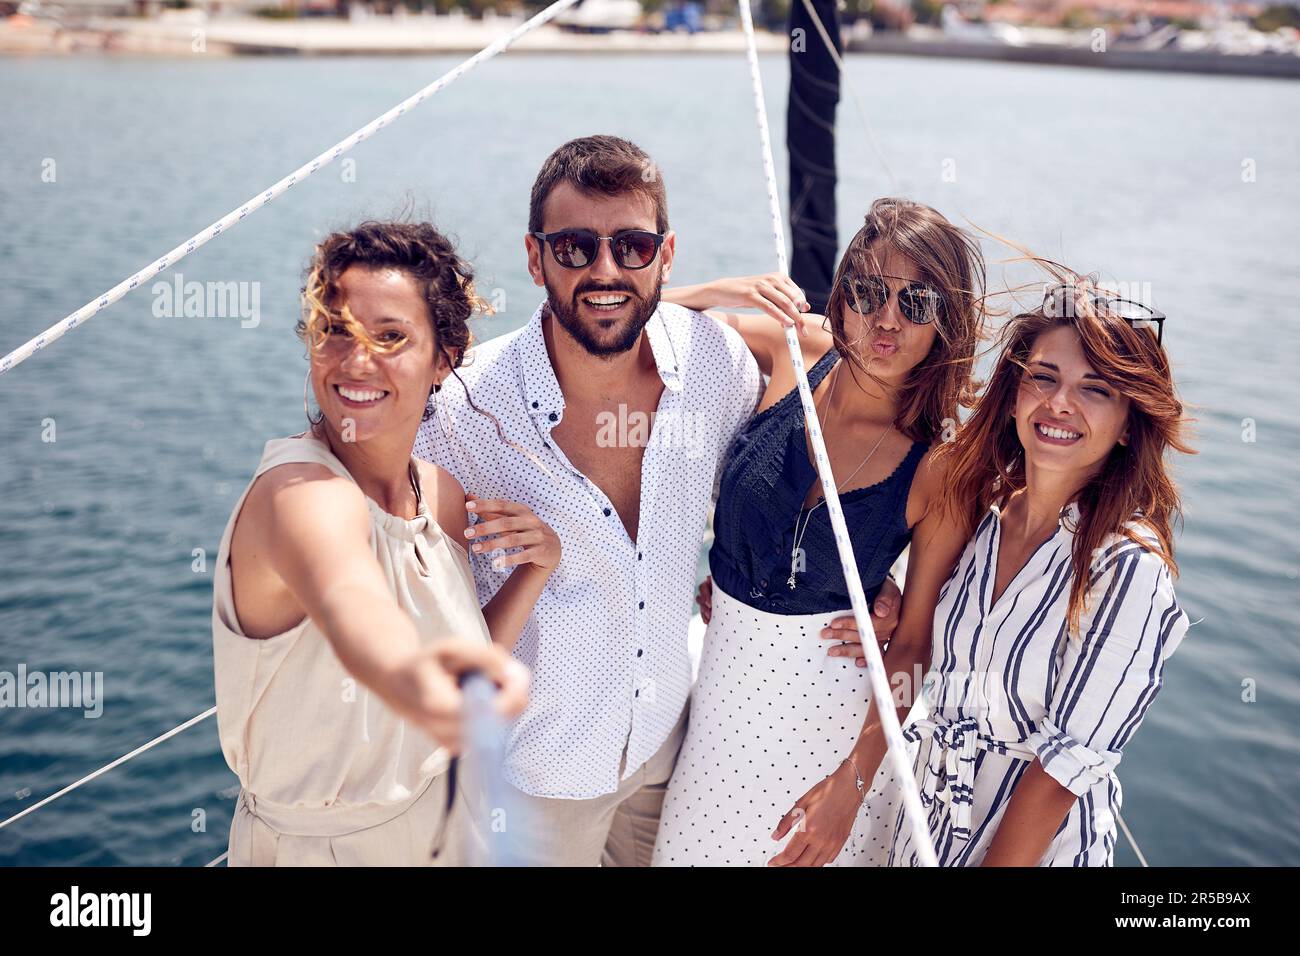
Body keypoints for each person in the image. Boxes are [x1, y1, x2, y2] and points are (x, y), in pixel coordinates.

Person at [414, 135, 905, 866]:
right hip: (539, 779)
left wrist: (874, 576)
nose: (605, 270)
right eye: (575, 248)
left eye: (632, 248)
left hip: (668, 749)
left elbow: (840, 381)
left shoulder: (714, 361)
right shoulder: (460, 414)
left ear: (666, 255)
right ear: (534, 255)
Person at [652, 198, 985, 866]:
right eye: (867, 293)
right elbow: (637, 317)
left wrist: (851, 787)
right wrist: (727, 288)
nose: (886, 320)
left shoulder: (940, 461)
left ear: (945, 321)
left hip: (827, 722)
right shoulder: (794, 349)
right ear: (840, 295)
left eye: (916, 303)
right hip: (719, 701)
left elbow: (914, 640)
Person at [212, 221, 552, 867]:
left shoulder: (440, 495)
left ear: (445, 357)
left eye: (389, 337)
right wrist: (414, 679)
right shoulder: (302, 495)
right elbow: (352, 599)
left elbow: (458, 652)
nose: (355, 360)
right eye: (335, 331)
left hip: (450, 823)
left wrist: (536, 569)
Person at [863, 270, 1191, 866]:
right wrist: (881, 594)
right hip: (928, 821)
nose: (1059, 403)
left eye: (1097, 390)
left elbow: (1061, 772)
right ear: (1015, 391)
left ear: (1127, 425)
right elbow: (926, 644)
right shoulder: (983, 514)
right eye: (1044, 377)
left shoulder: (1128, 568)